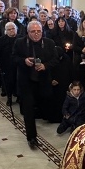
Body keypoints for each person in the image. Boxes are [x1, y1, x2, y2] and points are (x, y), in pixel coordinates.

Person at [13, 20, 58, 149]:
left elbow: (55, 59)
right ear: (28, 32)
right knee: (28, 110)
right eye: (33, 31)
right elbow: (13, 58)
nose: (36, 34)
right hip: (26, 81)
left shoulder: (49, 43)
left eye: (39, 31)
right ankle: (31, 137)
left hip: (42, 81)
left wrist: (45, 65)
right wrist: (24, 61)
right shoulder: (20, 42)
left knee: (43, 104)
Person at [0, 21, 19, 103]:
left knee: (18, 81)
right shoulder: (2, 40)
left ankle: (19, 97)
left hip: (18, 64)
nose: (11, 30)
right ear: (6, 31)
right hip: (6, 64)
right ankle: (9, 98)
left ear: (16, 29)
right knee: (8, 82)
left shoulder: (21, 38)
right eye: (9, 29)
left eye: (13, 28)